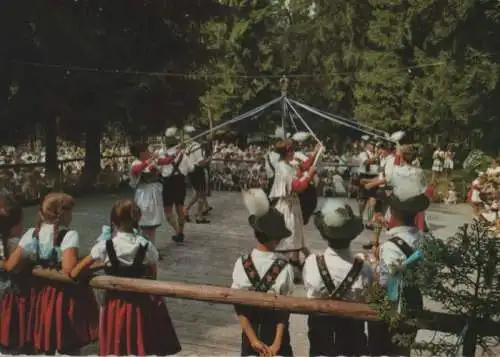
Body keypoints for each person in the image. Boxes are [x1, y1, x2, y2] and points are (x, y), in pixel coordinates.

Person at [71, 199, 181, 356]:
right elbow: (152, 269)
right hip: (139, 302)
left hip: (114, 301)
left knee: (115, 342)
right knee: (138, 341)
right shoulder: (145, 245)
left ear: (113, 222)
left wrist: (101, 267)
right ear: (137, 220)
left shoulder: (106, 245)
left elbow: (77, 270)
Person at [4, 193, 99, 355]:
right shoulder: (69, 235)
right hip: (64, 295)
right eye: (70, 212)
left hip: (42, 292)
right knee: (68, 339)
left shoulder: (32, 233)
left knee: (48, 336)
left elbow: (11, 265)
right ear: (64, 214)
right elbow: (69, 270)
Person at [303, 199, 373, 356]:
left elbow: (310, 291)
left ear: (324, 234)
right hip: (352, 346)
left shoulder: (312, 263)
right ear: (352, 235)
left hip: (320, 346)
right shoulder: (364, 269)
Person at [368, 177, 428, 356]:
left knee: (379, 348)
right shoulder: (425, 240)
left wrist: (374, 265)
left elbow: (386, 282)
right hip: (415, 299)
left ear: (392, 212)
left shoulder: (390, 246)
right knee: (402, 350)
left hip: (392, 304)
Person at [231, 188, 294, 356]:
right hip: (276, 337)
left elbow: (239, 307)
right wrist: (276, 343)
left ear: (255, 233)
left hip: (250, 336)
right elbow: (284, 312)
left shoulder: (242, 263)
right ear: (278, 238)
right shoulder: (285, 267)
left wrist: (253, 340)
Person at [270, 139, 318, 280]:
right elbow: (297, 187)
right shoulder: (283, 168)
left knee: (296, 236)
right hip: (287, 206)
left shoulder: (286, 164)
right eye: (292, 150)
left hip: (292, 205)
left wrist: (314, 154)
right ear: (288, 152)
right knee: (289, 238)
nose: (294, 153)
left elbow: (302, 166)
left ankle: (295, 263)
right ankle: (287, 268)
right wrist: (309, 175)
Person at [0, 194, 33, 353]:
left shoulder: (3, 241)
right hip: (14, 294)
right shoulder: (16, 244)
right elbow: (19, 264)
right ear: (16, 224)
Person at [130, 141, 174, 245]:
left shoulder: (152, 161)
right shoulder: (136, 163)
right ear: (141, 153)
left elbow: (167, 161)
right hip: (144, 196)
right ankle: (145, 248)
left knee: (152, 224)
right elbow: (136, 169)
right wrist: (151, 159)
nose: (149, 151)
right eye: (147, 150)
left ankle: (151, 248)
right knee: (146, 223)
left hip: (153, 195)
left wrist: (177, 152)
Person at [159, 127, 193, 243]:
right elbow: (191, 169)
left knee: (168, 210)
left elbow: (157, 168)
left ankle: (177, 231)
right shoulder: (183, 155)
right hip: (179, 182)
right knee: (180, 208)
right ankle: (181, 232)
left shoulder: (161, 153)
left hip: (167, 182)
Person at [291, 131, 320, 226]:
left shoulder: (297, 154)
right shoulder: (297, 155)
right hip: (301, 184)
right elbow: (306, 164)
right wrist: (315, 152)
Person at [184, 126, 212, 224]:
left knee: (198, 194)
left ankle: (186, 210)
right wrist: (208, 160)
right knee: (201, 193)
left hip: (192, 172)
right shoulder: (197, 147)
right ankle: (199, 217)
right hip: (197, 171)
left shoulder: (189, 146)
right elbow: (200, 163)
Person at [357, 139, 379, 227]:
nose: (373, 146)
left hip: (374, 177)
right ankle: (360, 218)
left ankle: (369, 221)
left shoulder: (376, 154)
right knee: (363, 200)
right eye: (371, 144)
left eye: (374, 144)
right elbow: (366, 162)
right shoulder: (363, 154)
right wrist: (376, 156)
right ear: (367, 145)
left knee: (372, 200)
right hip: (364, 177)